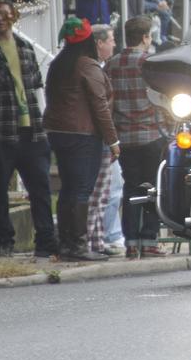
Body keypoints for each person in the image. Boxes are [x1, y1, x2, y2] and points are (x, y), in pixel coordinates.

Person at [0, 0, 58, 258]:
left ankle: (46, 240)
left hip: (32, 130)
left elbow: (37, 86)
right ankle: (5, 240)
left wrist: (44, 118)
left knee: (40, 188)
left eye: (5, 14)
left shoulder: (26, 48)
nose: (0, 18)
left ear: (14, 16)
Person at [44, 16, 120, 261]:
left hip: (58, 133)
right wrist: (113, 140)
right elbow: (100, 106)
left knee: (67, 189)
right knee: (81, 190)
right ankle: (78, 244)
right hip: (83, 135)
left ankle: (66, 243)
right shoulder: (87, 65)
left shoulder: (58, 64)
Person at [106, 16, 170, 258]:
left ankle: (131, 242)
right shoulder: (150, 63)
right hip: (152, 134)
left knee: (131, 187)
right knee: (154, 186)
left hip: (124, 137)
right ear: (145, 37)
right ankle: (149, 240)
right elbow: (164, 98)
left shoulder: (111, 64)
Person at [85, 24, 126, 256]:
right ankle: (110, 235)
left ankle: (105, 235)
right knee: (109, 187)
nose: (114, 44)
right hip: (99, 136)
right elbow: (101, 106)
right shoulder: (94, 69)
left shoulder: (102, 67)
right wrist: (112, 139)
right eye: (111, 40)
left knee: (111, 187)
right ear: (99, 43)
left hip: (101, 134)